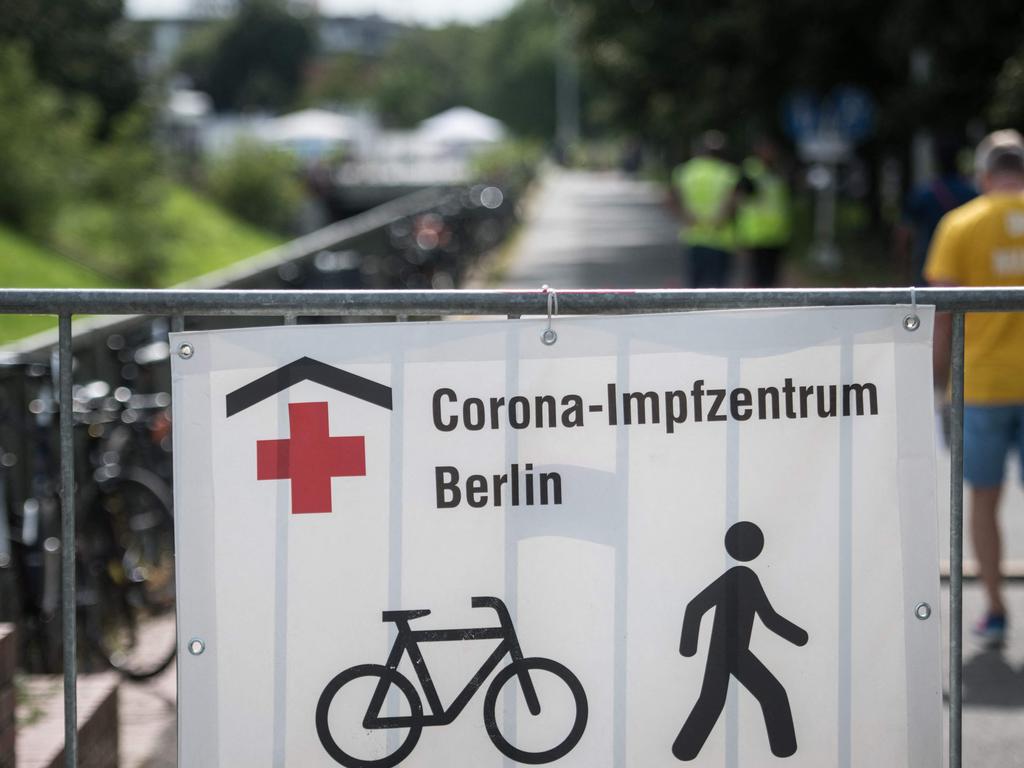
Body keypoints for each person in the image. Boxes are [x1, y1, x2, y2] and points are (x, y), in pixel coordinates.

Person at [925, 129, 1024, 648]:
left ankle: (996, 608)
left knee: (983, 501)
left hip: (982, 382)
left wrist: (937, 386)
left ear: (984, 175)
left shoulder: (960, 224)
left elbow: (942, 318)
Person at [673, 522, 808, 761]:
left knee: (715, 700)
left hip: (731, 652)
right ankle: (784, 749)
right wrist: (688, 647)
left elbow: (768, 618)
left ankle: (683, 751)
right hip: (729, 653)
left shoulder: (745, 577)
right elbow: (695, 608)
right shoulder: (739, 577)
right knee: (770, 694)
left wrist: (798, 636)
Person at [898, 139, 977, 286]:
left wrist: (904, 269)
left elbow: (904, 234)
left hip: (928, 267)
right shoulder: (973, 194)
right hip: (965, 267)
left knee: (931, 307)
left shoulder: (922, 194)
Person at [671, 131, 740, 288]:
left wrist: (685, 216)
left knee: (695, 287)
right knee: (719, 288)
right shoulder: (728, 172)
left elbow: (670, 198)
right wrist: (721, 218)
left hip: (694, 236)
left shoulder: (685, 171)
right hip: (721, 237)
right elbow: (734, 201)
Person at [736, 138, 793, 288]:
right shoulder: (750, 171)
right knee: (757, 279)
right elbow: (740, 198)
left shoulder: (777, 171)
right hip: (755, 235)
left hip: (777, 235)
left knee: (772, 279)